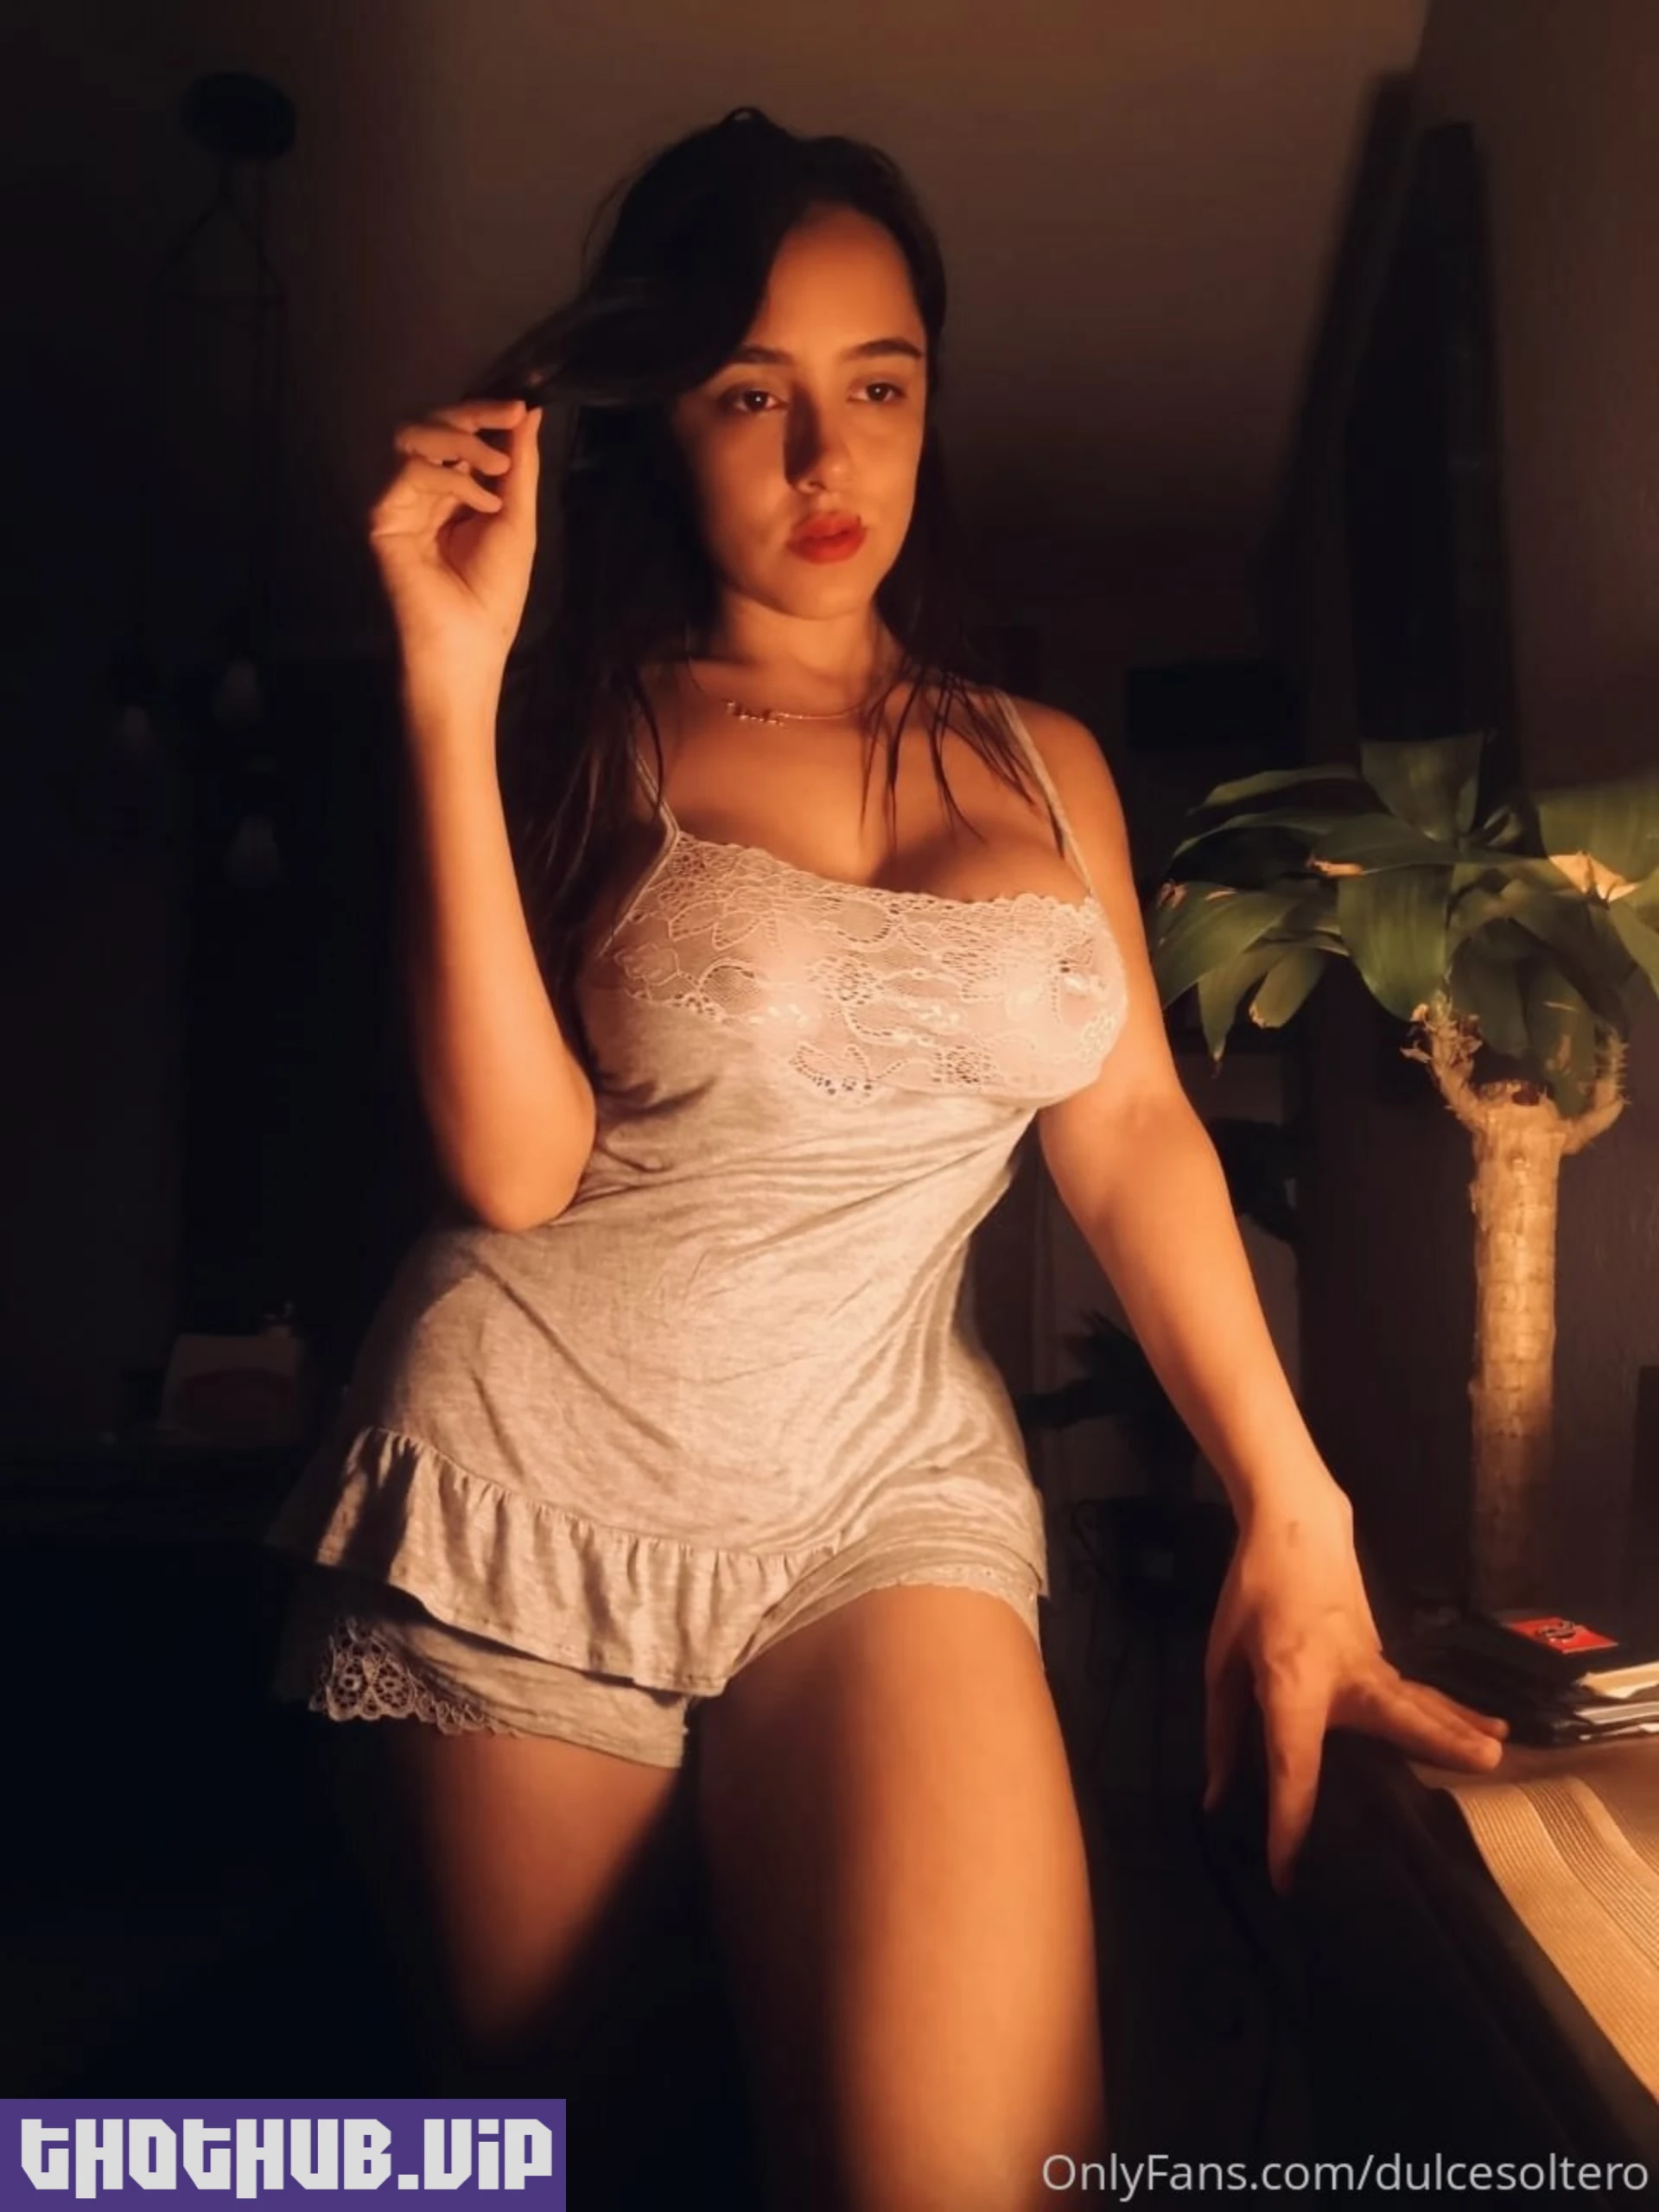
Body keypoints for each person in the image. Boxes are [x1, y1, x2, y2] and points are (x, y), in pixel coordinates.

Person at [261, 107, 1508, 2209]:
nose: (829, 456)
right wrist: (450, 686)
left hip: (880, 1492)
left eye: (881, 384)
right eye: (755, 393)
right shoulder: (586, 721)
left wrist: (1294, 1500)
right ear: (668, 420)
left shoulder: (1046, 757)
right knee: (616, 2168)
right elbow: (513, 1163)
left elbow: (1128, 1127)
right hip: (528, 1481)